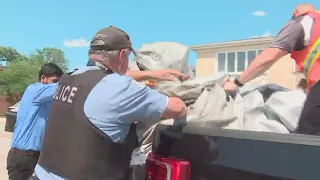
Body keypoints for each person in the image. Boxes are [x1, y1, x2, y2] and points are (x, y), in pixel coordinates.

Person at [33, 26, 188, 180]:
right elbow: (176, 107)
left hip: (41, 174)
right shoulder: (120, 88)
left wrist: (151, 74)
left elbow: (106, 77)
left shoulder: (70, 77)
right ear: (122, 55)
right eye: (128, 57)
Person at [223, 4, 320, 135]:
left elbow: (269, 57)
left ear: (296, 12)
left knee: (308, 135)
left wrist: (237, 83)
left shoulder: (302, 22)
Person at [7, 63, 63, 180]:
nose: (57, 84)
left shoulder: (48, 101)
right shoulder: (33, 90)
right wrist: (73, 79)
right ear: (43, 78)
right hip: (23, 158)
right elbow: (62, 87)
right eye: (55, 81)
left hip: (38, 158)